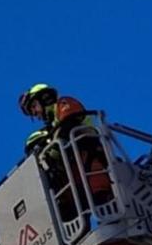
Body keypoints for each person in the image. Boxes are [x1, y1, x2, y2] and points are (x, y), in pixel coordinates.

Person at [18, 83, 114, 214]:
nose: (35, 113)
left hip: (90, 159)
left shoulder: (64, 104)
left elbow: (68, 125)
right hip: (75, 171)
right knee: (67, 206)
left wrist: (52, 149)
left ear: (45, 98)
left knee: (103, 200)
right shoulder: (51, 127)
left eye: (34, 106)